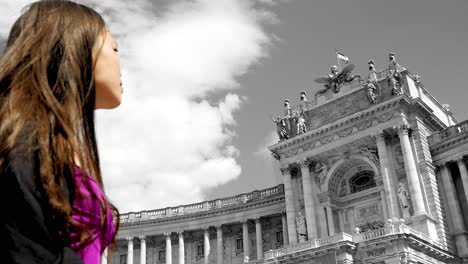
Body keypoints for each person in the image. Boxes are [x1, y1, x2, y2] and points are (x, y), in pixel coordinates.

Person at [0, 1, 122, 263]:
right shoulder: (24, 144)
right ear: (79, 49)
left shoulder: (55, 146)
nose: (119, 62)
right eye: (114, 48)